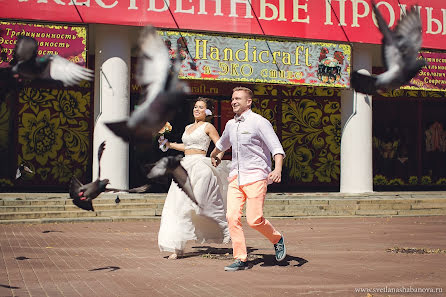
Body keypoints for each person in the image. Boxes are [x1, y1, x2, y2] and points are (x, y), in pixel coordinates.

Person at [210, 86, 286, 271]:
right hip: (236, 176)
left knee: (254, 220)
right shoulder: (230, 124)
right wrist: (215, 155)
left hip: (256, 176)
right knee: (231, 217)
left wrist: (277, 170)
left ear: (248, 102)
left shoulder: (259, 122)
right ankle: (240, 258)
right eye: (232, 99)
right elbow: (222, 145)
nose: (233, 101)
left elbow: (277, 148)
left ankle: (277, 238)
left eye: (238, 99)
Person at [158, 97, 230, 259]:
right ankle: (178, 247)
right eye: (195, 107)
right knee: (177, 206)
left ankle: (223, 230)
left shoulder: (208, 126)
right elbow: (187, 146)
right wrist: (169, 144)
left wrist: (217, 157)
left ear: (207, 111)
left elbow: (221, 145)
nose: (197, 110)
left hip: (200, 167)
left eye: (201, 107)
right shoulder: (188, 127)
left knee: (195, 205)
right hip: (185, 166)